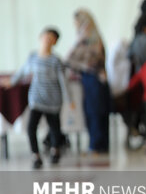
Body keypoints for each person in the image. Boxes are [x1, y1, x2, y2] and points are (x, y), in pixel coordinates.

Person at [2, 27, 71, 168]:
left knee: (54, 127)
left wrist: (68, 99)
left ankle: (55, 151)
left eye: (51, 38)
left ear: (55, 42)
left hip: (53, 100)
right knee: (31, 127)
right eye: (46, 37)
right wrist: (12, 81)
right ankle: (36, 155)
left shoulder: (56, 60)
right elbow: (23, 71)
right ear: (40, 38)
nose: (47, 40)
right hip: (36, 98)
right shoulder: (33, 57)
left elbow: (63, 81)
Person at [66, 9, 110, 153]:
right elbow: (68, 61)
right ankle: (96, 143)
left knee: (97, 111)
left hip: (95, 80)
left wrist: (83, 68)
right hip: (89, 79)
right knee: (93, 111)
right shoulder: (81, 41)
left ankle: (98, 144)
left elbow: (96, 61)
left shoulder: (93, 41)